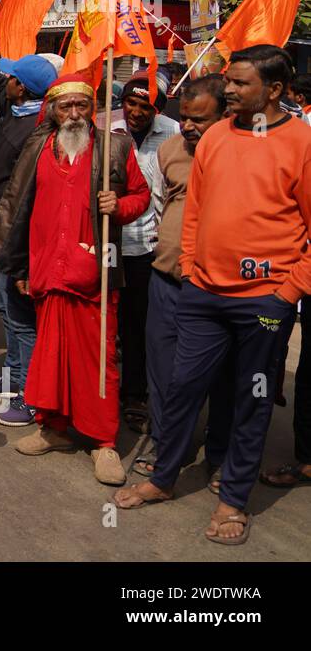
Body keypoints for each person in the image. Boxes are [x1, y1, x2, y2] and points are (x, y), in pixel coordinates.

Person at [115, 45, 311, 545]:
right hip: (201, 292)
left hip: (265, 302)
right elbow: (197, 208)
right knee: (181, 388)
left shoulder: (301, 143)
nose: (230, 89)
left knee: (252, 399)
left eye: (241, 83)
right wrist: (193, 268)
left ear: (273, 90)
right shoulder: (218, 136)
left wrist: (286, 291)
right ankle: (163, 479)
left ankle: (233, 501)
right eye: (230, 81)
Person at [0, 74, 150, 486]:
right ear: (53, 111)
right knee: (51, 355)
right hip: (48, 270)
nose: (75, 114)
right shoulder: (38, 147)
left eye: (82, 106)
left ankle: (103, 441)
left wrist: (120, 205)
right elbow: (18, 206)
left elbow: (140, 195)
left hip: (93, 274)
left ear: (92, 109)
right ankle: (54, 428)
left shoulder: (114, 147)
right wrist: (20, 266)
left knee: (97, 360)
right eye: (67, 107)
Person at [135, 74, 231, 484]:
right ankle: (164, 439)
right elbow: (160, 205)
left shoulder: (241, 153)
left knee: (224, 376)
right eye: (185, 117)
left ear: (226, 116)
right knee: (163, 371)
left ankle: (220, 452)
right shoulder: (171, 151)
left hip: (218, 287)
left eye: (200, 120)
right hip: (167, 280)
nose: (189, 127)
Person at [0, 41, 57, 426]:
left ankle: (29, 394)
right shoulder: (16, 110)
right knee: (5, 308)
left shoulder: (38, 130)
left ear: (21, 88)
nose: (4, 79)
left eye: (11, 77)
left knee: (21, 317)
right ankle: (17, 376)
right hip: (2, 229)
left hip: (19, 237)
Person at [110, 69, 179, 433]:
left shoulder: (175, 135)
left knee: (140, 327)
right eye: (131, 103)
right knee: (108, 322)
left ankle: (134, 393)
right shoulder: (107, 130)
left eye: (145, 106)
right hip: (108, 243)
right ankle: (102, 391)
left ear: (158, 108)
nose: (136, 112)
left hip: (149, 247)